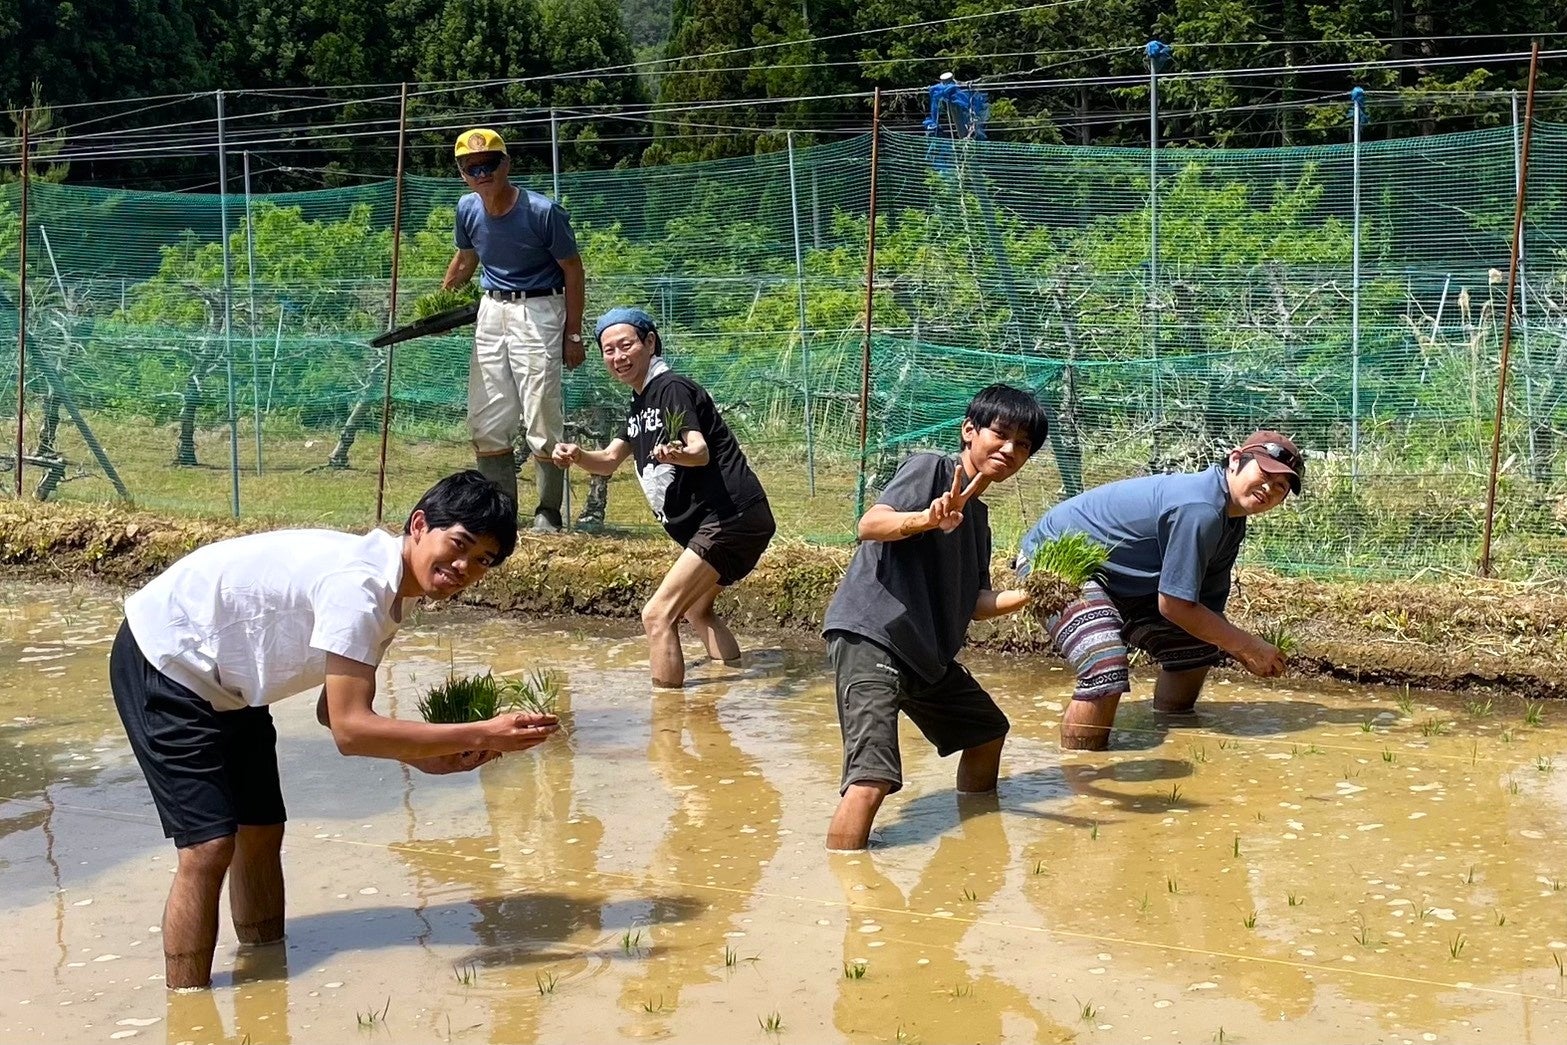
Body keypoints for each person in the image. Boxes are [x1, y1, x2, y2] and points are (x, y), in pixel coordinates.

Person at [109, 471, 561, 990]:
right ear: (419, 525)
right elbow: (350, 731)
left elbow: (333, 710)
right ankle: (188, 1007)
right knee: (209, 846)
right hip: (167, 658)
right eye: (459, 544)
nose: (464, 567)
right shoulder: (361, 587)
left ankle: (267, 980)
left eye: (483, 559)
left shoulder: (396, 589)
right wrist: (480, 733)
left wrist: (422, 756)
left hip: (231, 681)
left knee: (261, 830)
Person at [822, 384, 1049, 851]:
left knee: (986, 731)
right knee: (872, 778)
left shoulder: (978, 520)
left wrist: (1038, 593)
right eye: (1000, 434)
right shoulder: (931, 469)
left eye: (1023, 445)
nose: (1009, 450)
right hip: (874, 637)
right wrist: (924, 519)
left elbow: (978, 604)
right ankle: (847, 886)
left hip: (924, 653)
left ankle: (976, 835)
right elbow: (870, 525)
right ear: (970, 431)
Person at [1017, 429, 1303, 751]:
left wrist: (1241, 650)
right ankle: (1083, 772)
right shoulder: (1200, 507)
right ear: (1236, 459)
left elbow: (1203, 607)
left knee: (1199, 644)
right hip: (1053, 560)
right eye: (1265, 473)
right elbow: (1175, 606)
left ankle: (1174, 733)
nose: (1269, 488)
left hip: (1119, 578)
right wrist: (1249, 644)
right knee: (1105, 662)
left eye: (1281, 486)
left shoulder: (1231, 522)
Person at [551, 307, 775, 688]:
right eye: (608, 350)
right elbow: (606, 461)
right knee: (696, 610)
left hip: (727, 516)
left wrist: (678, 455)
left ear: (649, 343)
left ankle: (667, 725)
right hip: (740, 517)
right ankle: (733, 692)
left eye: (626, 346)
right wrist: (576, 455)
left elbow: (699, 450)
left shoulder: (669, 388)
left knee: (657, 615)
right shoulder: (640, 403)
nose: (618, 357)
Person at [442, 127, 586, 532]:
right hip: (491, 310)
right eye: (472, 167)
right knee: (487, 411)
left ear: (506, 164)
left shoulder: (543, 212)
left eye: (489, 164)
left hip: (539, 307)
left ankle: (548, 512)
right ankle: (499, 513)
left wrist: (573, 334)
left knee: (541, 407)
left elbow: (573, 270)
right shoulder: (467, 209)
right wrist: (439, 305)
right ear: (462, 173)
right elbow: (466, 259)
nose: (481, 173)